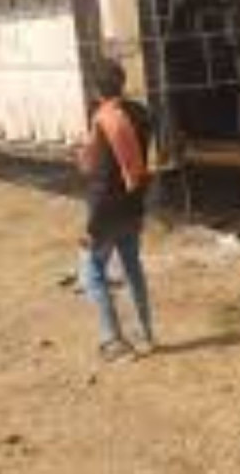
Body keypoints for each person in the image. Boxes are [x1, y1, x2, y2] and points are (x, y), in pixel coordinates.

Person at [74, 59, 156, 362]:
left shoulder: (106, 118)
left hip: (107, 209)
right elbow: (137, 164)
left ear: (96, 89)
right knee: (132, 268)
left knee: (91, 273)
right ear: (121, 82)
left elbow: (106, 176)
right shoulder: (141, 113)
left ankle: (113, 342)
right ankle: (144, 335)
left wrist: (91, 225)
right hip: (133, 203)